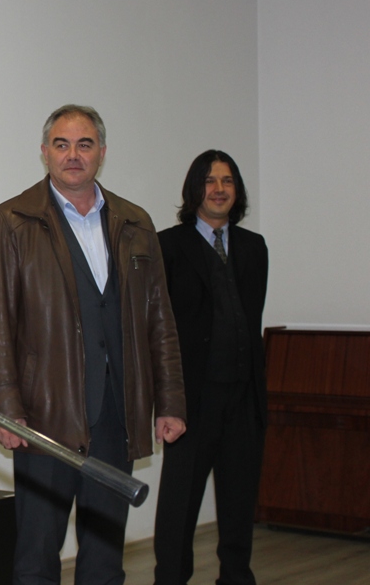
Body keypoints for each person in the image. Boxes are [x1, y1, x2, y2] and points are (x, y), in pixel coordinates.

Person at [0, 104, 187, 585]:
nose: (73, 155)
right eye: (62, 144)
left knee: (105, 560)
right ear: (45, 152)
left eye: (84, 144)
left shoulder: (135, 223)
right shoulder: (12, 221)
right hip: (43, 417)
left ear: (102, 153)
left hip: (117, 415)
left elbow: (161, 320)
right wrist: (6, 411)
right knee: (36, 557)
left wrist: (171, 401)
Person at [152, 151, 268, 585]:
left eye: (227, 180)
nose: (219, 189)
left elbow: (250, 318)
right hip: (192, 400)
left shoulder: (254, 247)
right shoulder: (168, 246)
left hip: (243, 397)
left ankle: (236, 577)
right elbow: (157, 326)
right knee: (179, 505)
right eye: (210, 180)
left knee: (239, 502)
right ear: (194, 189)